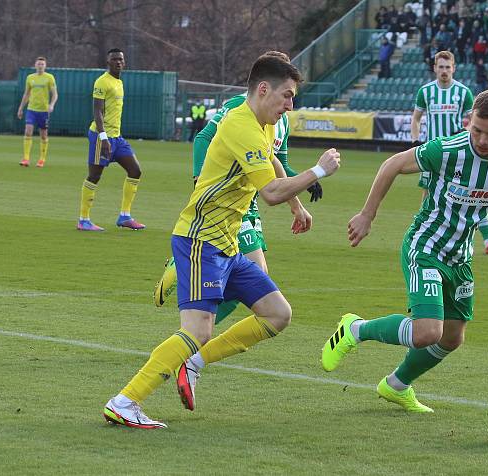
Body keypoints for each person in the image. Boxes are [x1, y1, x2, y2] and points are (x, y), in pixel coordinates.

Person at [103, 54, 341, 429]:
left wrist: (299, 207)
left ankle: (194, 362)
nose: (290, 105)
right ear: (264, 89)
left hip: (226, 245)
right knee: (198, 329)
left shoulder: (263, 124)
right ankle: (125, 400)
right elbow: (271, 192)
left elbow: (272, 160)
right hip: (200, 241)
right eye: (287, 96)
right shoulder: (240, 124)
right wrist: (317, 171)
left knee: (278, 314)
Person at [321, 88, 488, 413]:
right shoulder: (447, 150)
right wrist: (367, 214)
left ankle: (396, 385)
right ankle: (355, 328)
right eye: (476, 129)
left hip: (460, 257)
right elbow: (392, 164)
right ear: (469, 122)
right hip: (425, 246)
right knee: (427, 332)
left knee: (452, 337)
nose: (481, 139)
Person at [411, 51, 488, 255]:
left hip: (457, 155)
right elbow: (416, 118)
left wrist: (464, 132)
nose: (444, 71)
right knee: (428, 196)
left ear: (454, 68)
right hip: (433, 154)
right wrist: (416, 141)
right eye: (441, 67)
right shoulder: (425, 92)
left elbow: (474, 121)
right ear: (434, 68)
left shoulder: (463, 92)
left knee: (471, 196)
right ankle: (421, 236)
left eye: (448, 67)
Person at [77, 48, 145, 232]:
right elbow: (97, 111)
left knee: (135, 171)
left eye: (121, 59)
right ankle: (83, 219)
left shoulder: (119, 82)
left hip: (117, 137)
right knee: (94, 176)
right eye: (114, 59)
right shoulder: (102, 82)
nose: (118, 62)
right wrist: (103, 136)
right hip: (102, 136)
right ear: (108, 62)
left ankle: (125, 216)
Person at [17, 56, 57, 168]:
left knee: (43, 135)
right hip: (31, 109)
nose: (40, 66)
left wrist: (51, 105)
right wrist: (21, 108)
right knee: (28, 131)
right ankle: (26, 159)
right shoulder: (30, 78)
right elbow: (26, 94)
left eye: (42, 64)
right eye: (38, 64)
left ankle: (42, 159)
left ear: (45, 66)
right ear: (35, 65)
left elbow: (55, 94)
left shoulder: (49, 78)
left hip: (43, 111)